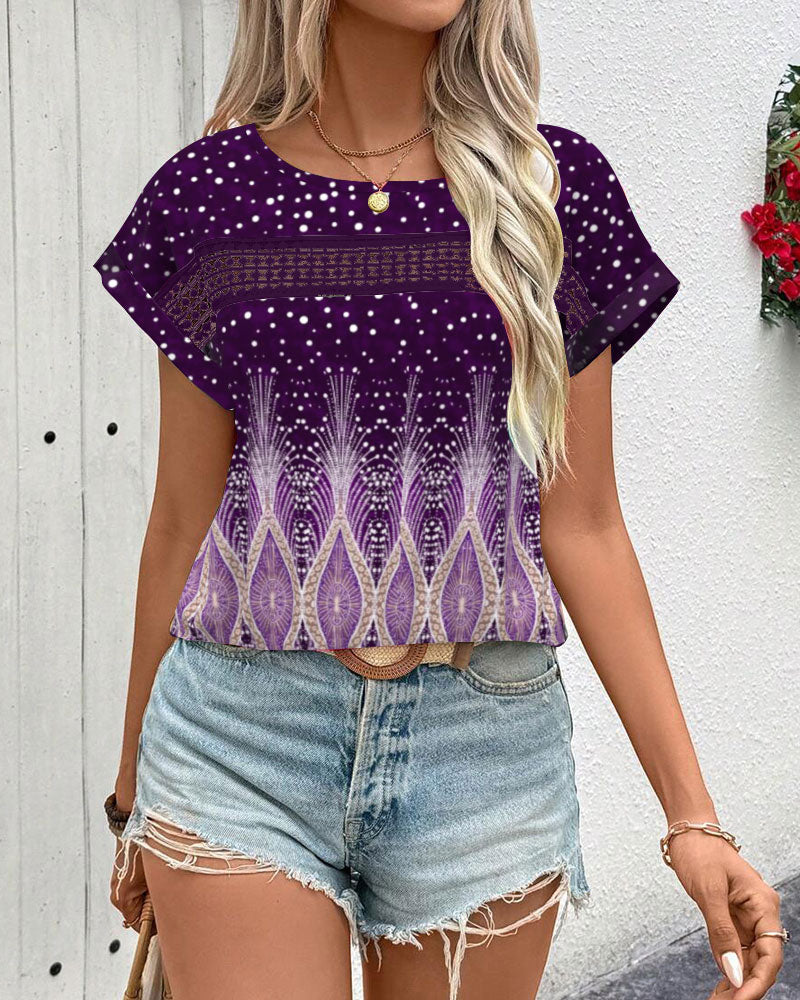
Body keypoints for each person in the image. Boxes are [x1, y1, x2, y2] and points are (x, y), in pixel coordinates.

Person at [93, 2, 787, 998]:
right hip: (239, 740)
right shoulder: (208, 195)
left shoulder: (552, 190)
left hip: (483, 754)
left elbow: (586, 525)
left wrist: (692, 819)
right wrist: (135, 790)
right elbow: (179, 521)